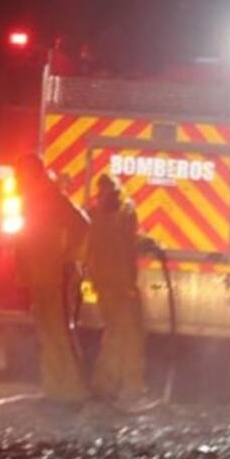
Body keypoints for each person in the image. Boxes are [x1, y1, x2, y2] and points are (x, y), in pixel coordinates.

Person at [13, 153, 91, 403]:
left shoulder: (50, 196)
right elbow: (28, 239)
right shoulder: (32, 199)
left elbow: (82, 225)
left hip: (55, 278)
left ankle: (73, 390)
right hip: (41, 278)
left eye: (20, 175)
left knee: (58, 333)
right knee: (47, 334)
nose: (17, 180)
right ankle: (55, 388)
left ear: (31, 173)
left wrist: (68, 259)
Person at [86, 173, 148, 407]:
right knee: (128, 337)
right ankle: (129, 387)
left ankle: (106, 386)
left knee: (114, 333)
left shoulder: (93, 215)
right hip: (121, 286)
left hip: (106, 285)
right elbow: (129, 244)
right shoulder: (125, 214)